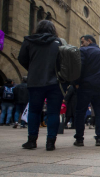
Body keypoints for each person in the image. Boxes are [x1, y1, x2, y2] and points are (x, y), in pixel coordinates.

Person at [17, 20, 65, 150]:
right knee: (54, 112)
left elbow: (21, 58)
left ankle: (32, 141)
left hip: (35, 81)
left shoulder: (29, 41)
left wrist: (32, 69)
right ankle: (50, 143)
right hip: (54, 82)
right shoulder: (58, 42)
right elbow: (63, 62)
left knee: (34, 110)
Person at [74, 35, 100, 147]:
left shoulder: (83, 51)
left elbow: (79, 68)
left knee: (80, 112)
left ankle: (79, 138)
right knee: (99, 112)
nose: (81, 44)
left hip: (85, 86)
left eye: (83, 42)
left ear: (89, 41)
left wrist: (76, 82)